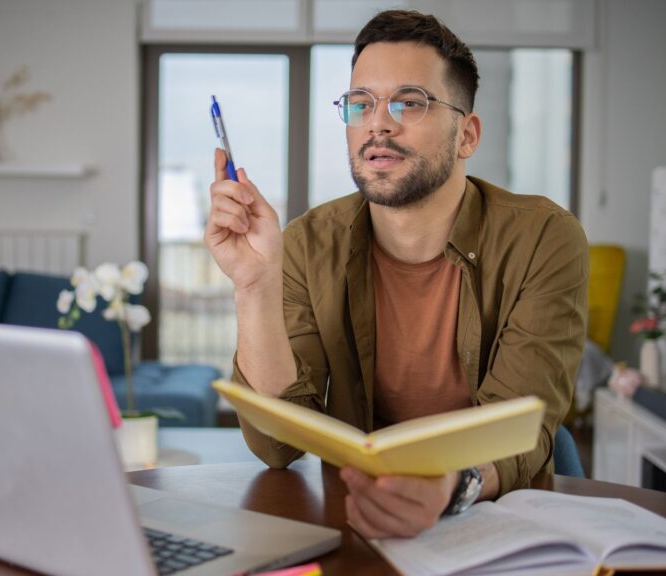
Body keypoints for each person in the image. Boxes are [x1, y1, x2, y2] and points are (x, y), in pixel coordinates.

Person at [204, 9, 588, 538]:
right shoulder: (306, 244)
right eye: (360, 104)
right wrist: (254, 286)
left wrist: (448, 488)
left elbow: (523, 425)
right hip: (361, 515)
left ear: (466, 135)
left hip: (496, 517)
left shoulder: (544, 237)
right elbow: (277, 445)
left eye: (410, 102)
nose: (378, 123)